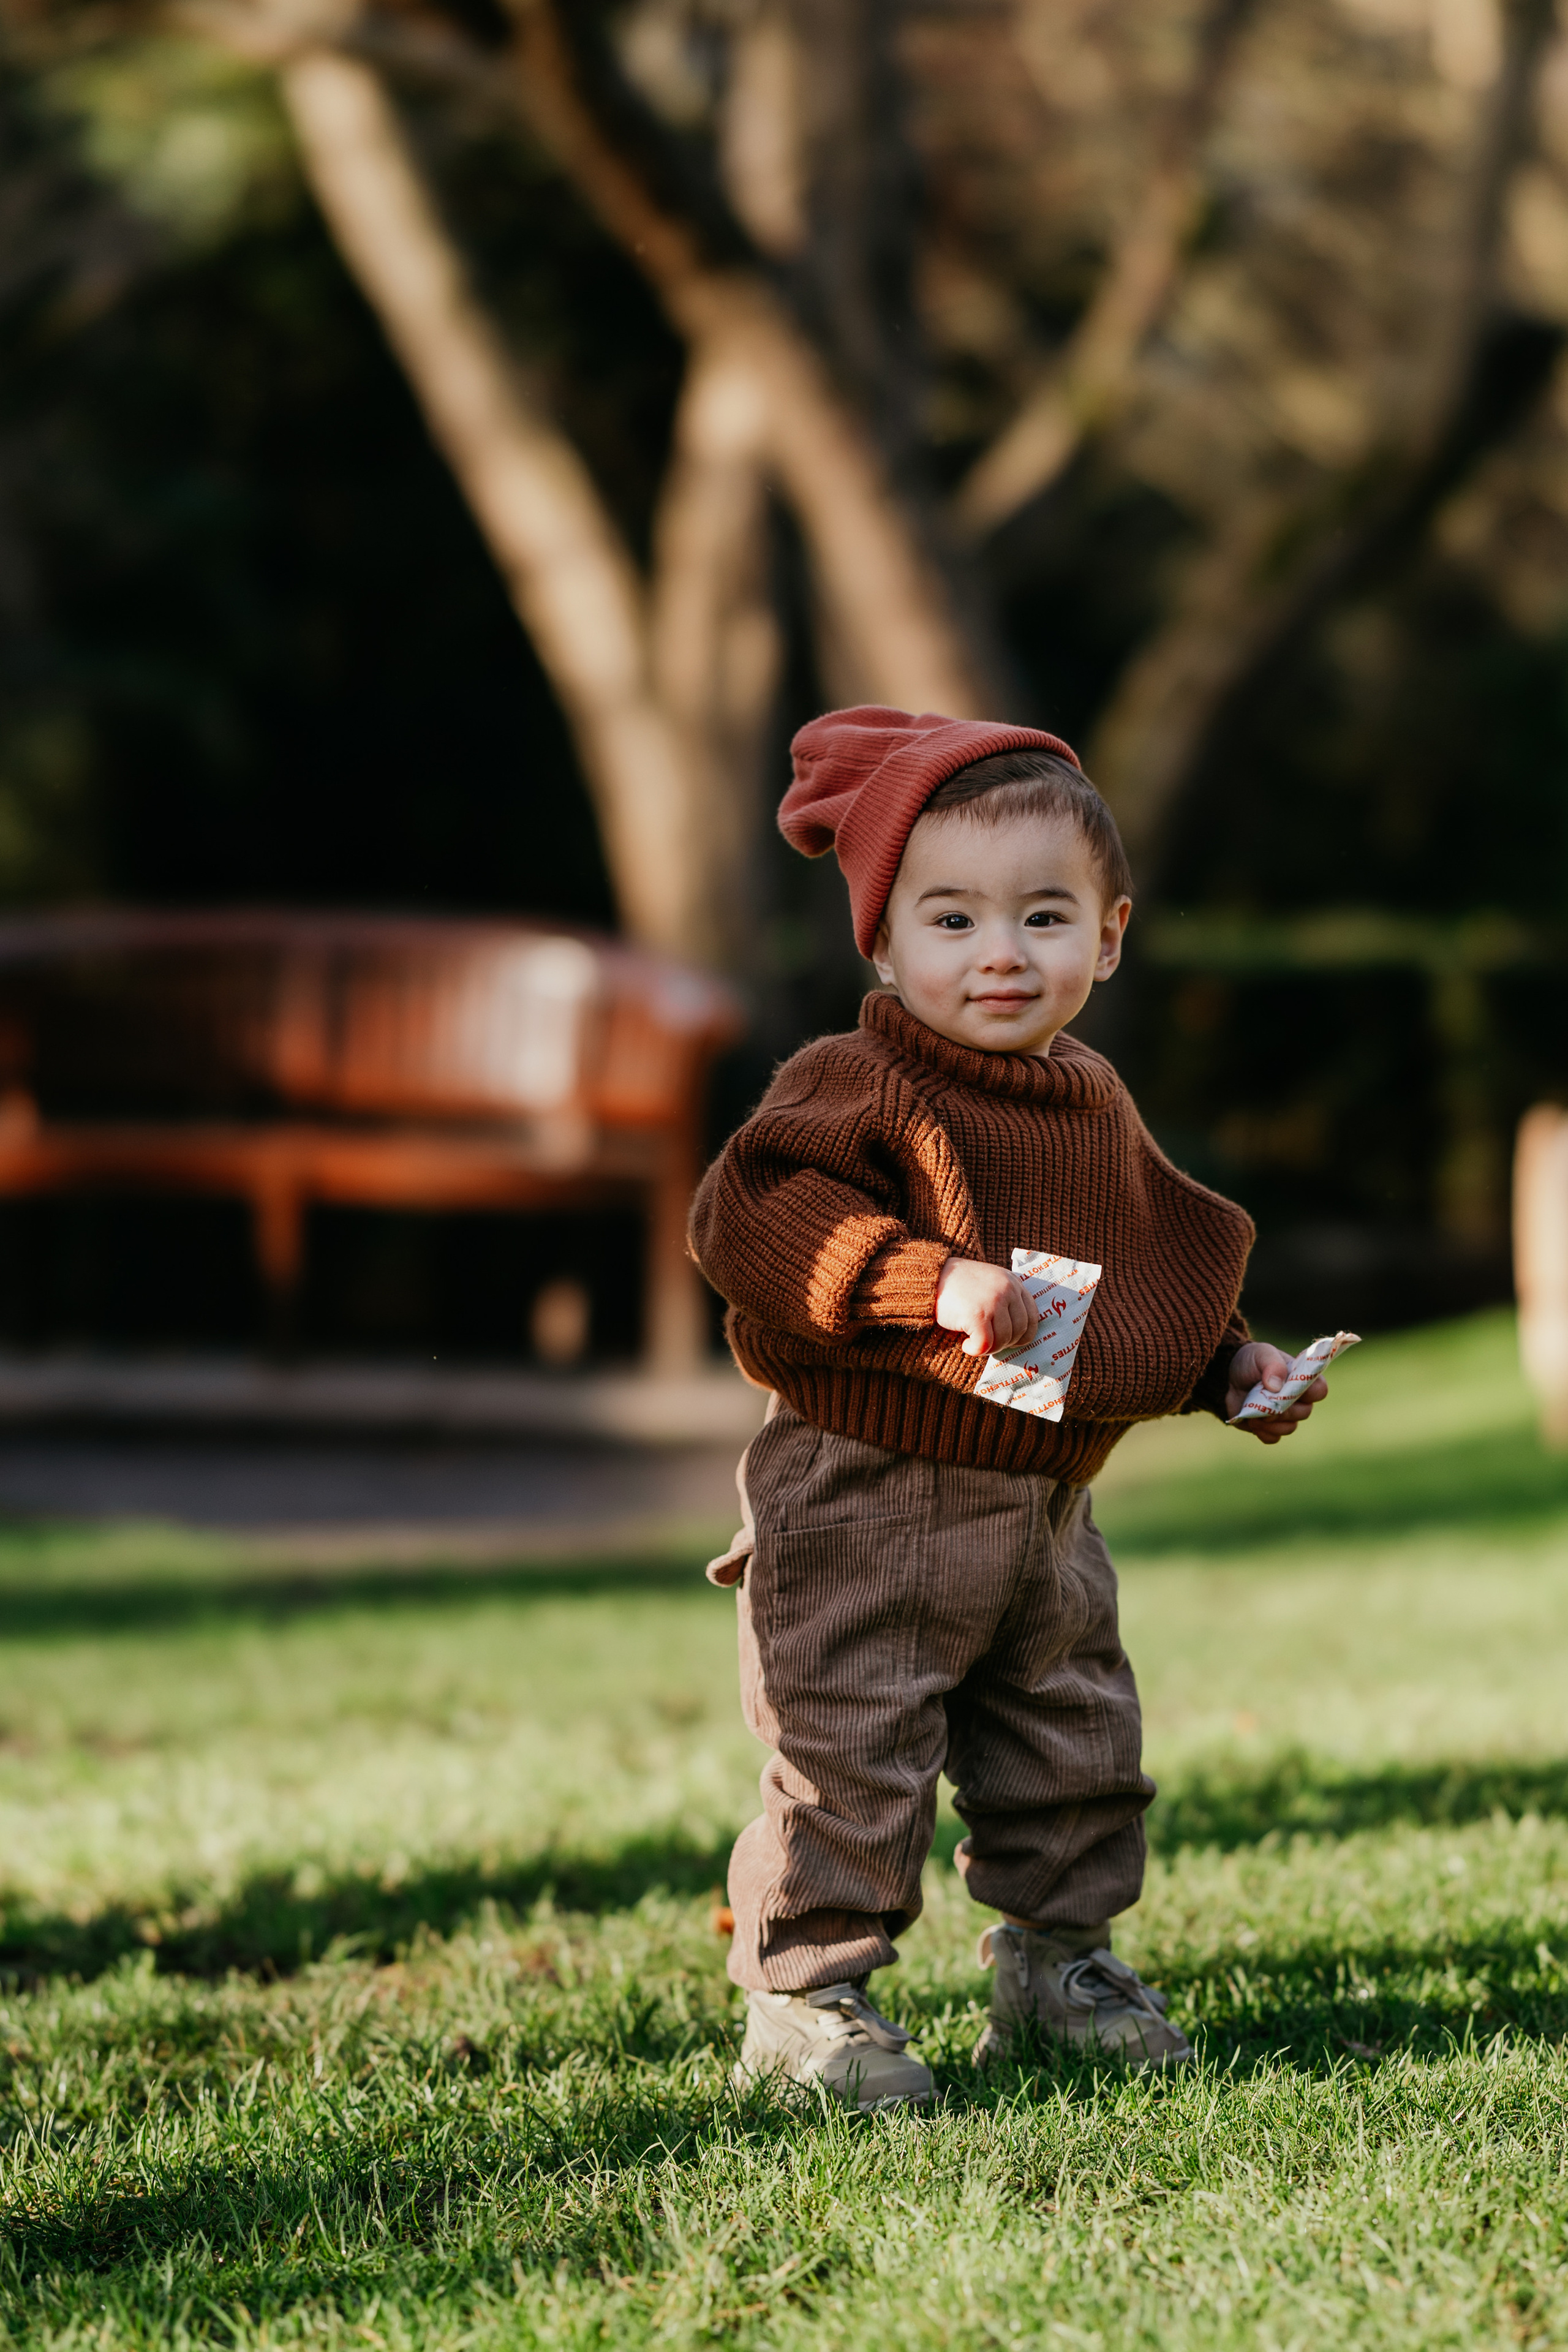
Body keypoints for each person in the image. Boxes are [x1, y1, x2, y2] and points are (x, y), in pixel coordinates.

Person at [689, 705, 1330, 2110]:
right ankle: (805, 2002)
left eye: (1042, 917)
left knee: (1072, 1737)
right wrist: (923, 1280)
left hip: (1040, 1502)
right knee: (848, 1746)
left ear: (1106, 937)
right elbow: (752, 1215)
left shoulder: (1087, 1099)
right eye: (952, 918)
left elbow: (1146, 1270)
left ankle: (1055, 1964)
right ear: (881, 941)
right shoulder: (855, 1083)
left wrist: (1231, 1371)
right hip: (864, 1484)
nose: (999, 954)